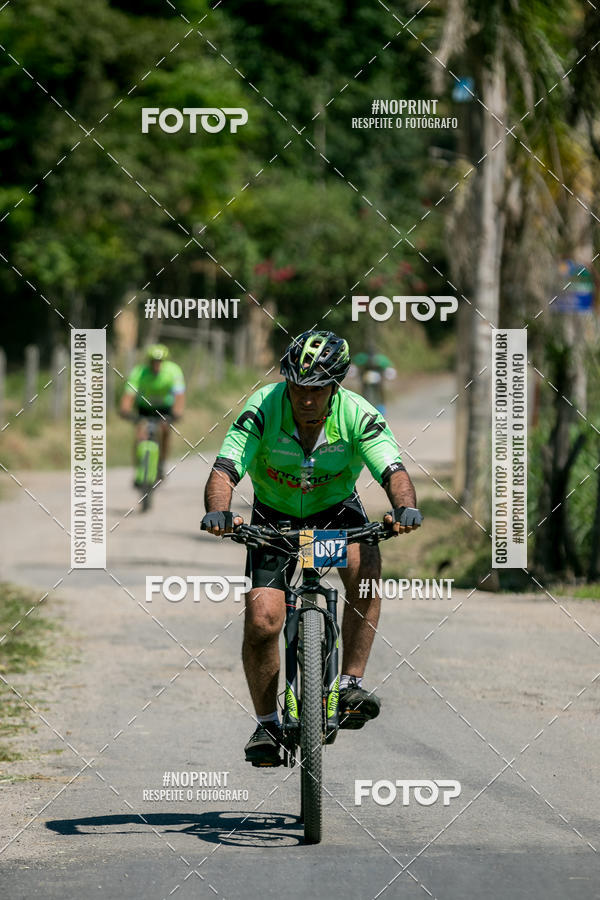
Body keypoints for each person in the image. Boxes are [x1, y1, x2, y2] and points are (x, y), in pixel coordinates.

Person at [201, 330, 422, 764]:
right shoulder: (263, 407)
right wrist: (219, 511)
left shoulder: (358, 414)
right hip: (274, 516)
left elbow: (393, 470)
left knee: (366, 567)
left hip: (334, 512)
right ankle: (266, 726)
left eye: (317, 390)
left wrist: (404, 508)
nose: (305, 398)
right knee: (263, 621)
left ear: (335, 386)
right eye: (297, 387)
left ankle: (349, 685)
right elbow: (224, 470)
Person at [119, 344, 185, 482]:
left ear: (164, 362)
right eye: (154, 361)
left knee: (165, 429)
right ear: (149, 361)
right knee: (140, 433)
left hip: (164, 408)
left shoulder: (173, 371)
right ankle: (138, 467)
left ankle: (161, 464)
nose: (156, 365)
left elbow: (179, 395)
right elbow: (129, 394)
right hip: (144, 408)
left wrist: (177, 413)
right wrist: (125, 410)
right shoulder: (139, 372)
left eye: (160, 361)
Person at [352, 348, 397, 415]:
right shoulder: (379, 358)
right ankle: (376, 408)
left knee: (375, 392)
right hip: (370, 381)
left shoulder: (363, 358)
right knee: (377, 393)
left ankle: (375, 409)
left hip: (372, 380)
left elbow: (388, 369)